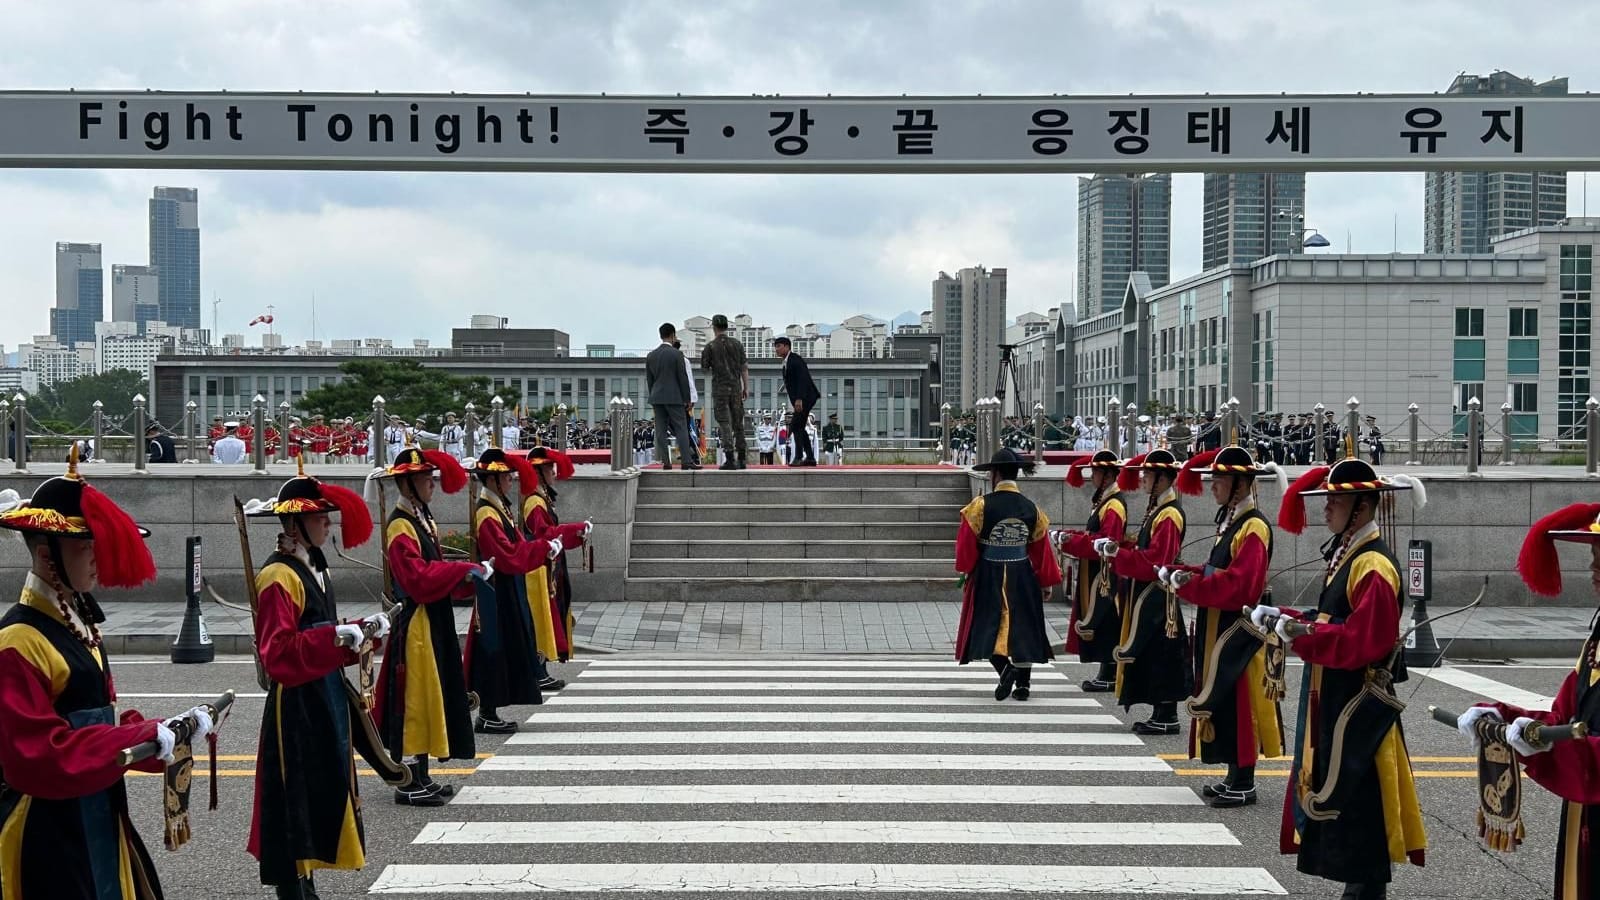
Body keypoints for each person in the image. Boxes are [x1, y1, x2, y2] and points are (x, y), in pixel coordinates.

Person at [0, 449, 209, 900]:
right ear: (46, 555)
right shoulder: (18, 640)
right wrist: (138, 736)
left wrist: (161, 735)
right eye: (83, 546)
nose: (96, 557)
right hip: (49, 826)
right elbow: (38, 756)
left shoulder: (76, 622)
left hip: (95, 805)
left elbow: (92, 722)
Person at [1264, 457, 1427, 899]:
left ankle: (1365, 887)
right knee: (1346, 788)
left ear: (1361, 507)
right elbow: (1334, 618)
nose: (1326, 509)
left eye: (1336, 501)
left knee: (1360, 789)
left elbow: (1365, 641)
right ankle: (1359, 885)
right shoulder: (1350, 554)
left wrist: (1306, 635)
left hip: (1357, 698)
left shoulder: (1372, 563)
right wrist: (1289, 619)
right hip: (1336, 690)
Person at [244, 462, 396, 900]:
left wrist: (362, 634)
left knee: (319, 792)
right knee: (295, 799)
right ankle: (293, 887)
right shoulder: (278, 577)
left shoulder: (315, 568)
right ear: (294, 523)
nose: (328, 524)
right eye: (318, 518)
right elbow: (279, 654)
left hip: (323, 694)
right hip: (295, 705)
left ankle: (307, 880)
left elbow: (324, 636)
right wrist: (334, 637)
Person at [1453, 502, 1600, 900]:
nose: (1593, 570)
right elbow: (1564, 715)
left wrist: (1554, 743)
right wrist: (1503, 717)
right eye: (1593, 557)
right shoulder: (1596, 638)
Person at [1161, 445, 1287, 809]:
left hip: (1237, 626)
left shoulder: (1253, 526)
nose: (1212, 486)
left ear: (1239, 484)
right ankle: (1233, 774)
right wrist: (1191, 574)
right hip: (1219, 620)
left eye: (1219, 480)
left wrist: (1191, 585)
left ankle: (1244, 780)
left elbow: (1240, 586)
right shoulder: (1233, 520)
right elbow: (1219, 571)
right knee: (1224, 700)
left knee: (1239, 700)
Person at [371, 446, 483, 806]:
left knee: (430, 697)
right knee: (415, 700)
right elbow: (418, 577)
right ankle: (409, 781)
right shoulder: (401, 525)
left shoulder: (420, 516)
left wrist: (465, 576)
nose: (431, 483)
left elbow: (434, 569)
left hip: (431, 617)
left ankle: (422, 774)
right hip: (415, 620)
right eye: (425, 479)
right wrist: (460, 570)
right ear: (408, 485)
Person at [955, 448, 1061, 701]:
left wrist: (967, 570)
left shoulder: (980, 506)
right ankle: (1023, 686)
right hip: (1023, 572)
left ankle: (1006, 669)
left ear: (995, 473)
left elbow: (966, 547)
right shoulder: (1032, 508)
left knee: (986, 624)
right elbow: (1042, 549)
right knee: (1023, 626)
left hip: (990, 571)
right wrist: (1046, 582)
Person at [1103, 449, 1191, 735]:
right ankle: (1161, 712)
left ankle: (1166, 715)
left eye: (1149, 475)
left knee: (1163, 653)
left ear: (1163, 479)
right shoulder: (1158, 509)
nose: (1143, 479)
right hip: (1150, 593)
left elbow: (1156, 560)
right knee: (1155, 653)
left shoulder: (1168, 514)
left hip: (1157, 595)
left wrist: (1119, 556)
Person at [466, 448, 551, 733]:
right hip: (495, 589)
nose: (511, 481)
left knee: (506, 647)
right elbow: (506, 554)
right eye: (506, 477)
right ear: (492, 480)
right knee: (493, 648)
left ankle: (491, 711)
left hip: (505, 586)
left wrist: (540, 548)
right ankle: (487, 712)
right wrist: (540, 549)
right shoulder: (487, 512)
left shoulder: (497, 507)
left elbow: (516, 545)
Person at [1053, 449, 1126, 692]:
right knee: (1102, 619)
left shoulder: (1113, 504)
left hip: (1104, 574)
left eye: (1095, 472)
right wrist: (1070, 536)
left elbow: (1104, 541)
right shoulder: (1105, 500)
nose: (1091, 477)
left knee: (1106, 619)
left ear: (1106, 475)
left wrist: (1069, 542)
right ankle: (1107, 670)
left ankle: (1110, 672)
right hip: (1096, 572)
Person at [522, 446, 589, 682]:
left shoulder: (541, 498)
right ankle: (537, 671)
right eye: (549, 468)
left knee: (548, 617)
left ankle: (540, 670)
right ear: (538, 473)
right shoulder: (534, 501)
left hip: (546, 566)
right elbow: (544, 533)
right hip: (537, 570)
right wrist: (573, 529)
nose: (553, 472)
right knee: (540, 618)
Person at [647, 323, 700, 470]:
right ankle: (686, 461)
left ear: (660, 335)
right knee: (681, 428)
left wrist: (653, 396)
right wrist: (687, 399)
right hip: (674, 397)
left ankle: (666, 462)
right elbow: (682, 378)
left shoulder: (651, 355)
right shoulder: (677, 354)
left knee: (660, 431)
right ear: (672, 335)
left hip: (657, 397)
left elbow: (650, 380)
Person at [701, 314, 750, 470]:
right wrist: (746, 387)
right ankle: (742, 458)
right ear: (727, 327)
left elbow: (705, 369)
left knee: (724, 422)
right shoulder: (737, 344)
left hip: (720, 389)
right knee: (738, 423)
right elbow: (744, 368)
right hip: (736, 387)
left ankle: (729, 458)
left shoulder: (710, 347)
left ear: (714, 327)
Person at [775, 336, 820, 467]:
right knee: (799, 426)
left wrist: (799, 399)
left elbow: (802, 379)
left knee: (795, 425)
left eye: (779, 346)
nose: (776, 349)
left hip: (806, 397)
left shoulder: (795, 360)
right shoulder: (786, 362)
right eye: (776, 347)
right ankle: (810, 457)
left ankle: (799, 456)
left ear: (787, 347)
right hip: (801, 399)